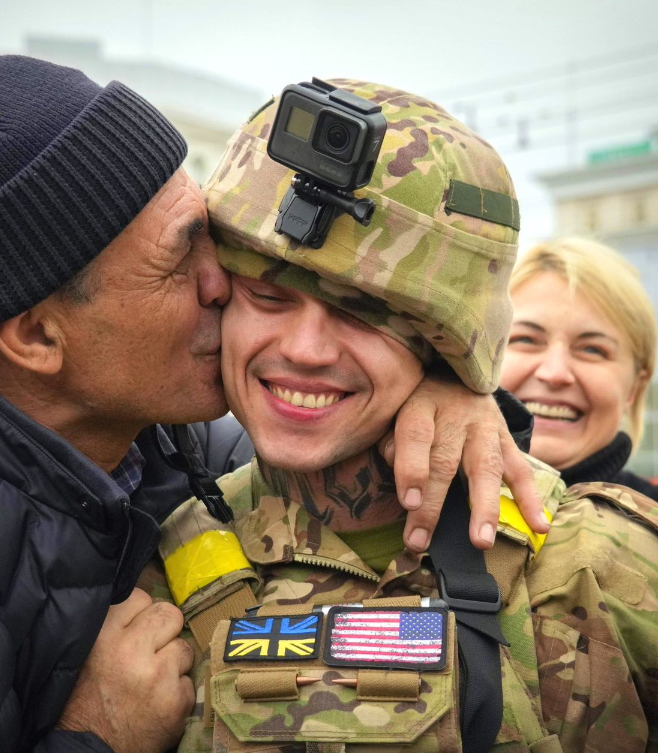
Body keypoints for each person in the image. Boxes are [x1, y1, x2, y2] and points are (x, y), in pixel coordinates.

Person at [0, 56, 544, 753]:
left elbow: (307, 422)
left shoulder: (140, 425)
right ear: (36, 337)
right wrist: (91, 739)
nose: (228, 288)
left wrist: (448, 385)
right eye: (183, 261)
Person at [154, 79, 658, 753]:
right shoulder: (152, 574)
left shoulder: (600, 563)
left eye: (362, 312)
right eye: (268, 297)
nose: (302, 350)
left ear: (441, 340)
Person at [501, 238, 658, 499]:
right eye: (525, 339)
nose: (555, 373)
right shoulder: (413, 497)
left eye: (592, 349)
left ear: (634, 387)